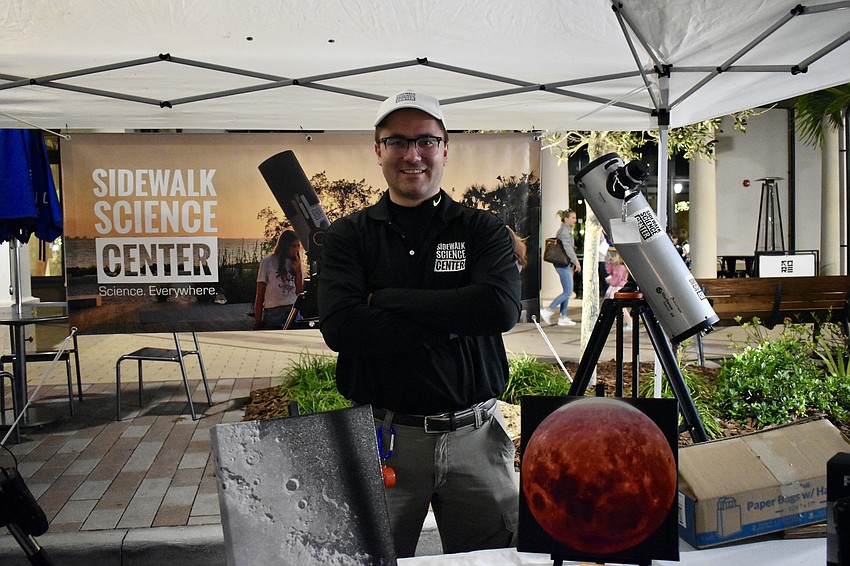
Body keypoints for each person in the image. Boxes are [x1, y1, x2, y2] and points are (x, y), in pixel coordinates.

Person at [318, 90, 522, 557]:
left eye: (426, 141)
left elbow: (498, 310)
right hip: (383, 440)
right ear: (378, 150)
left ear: (445, 149)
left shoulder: (482, 229)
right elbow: (343, 327)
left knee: (490, 559)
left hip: (477, 440)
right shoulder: (348, 236)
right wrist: (456, 317)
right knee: (373, 557)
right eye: (397, 141)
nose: (413, 155)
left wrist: (387, 300)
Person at [253, 229, 304, 329]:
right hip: (273, 310)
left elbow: (299, 292)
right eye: (293, 246)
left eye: (298, 246)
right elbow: (260, 293)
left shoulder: (296, 263)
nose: (296, 249)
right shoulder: (268, 262)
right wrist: (258, 319)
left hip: (292, 308)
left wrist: (298, 272)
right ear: (285, 246)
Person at [540, 209, 581, 326]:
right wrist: (576, 261)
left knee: (567, 291)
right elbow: (568, 248)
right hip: (563, 264)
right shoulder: (564, 231)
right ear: (566, 219)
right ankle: (548, 310)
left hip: (564, 264)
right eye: (573, 218)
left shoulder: (566, 230)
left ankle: (563, 316)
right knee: (568, 292)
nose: (575, 220)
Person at [604, 248, 633, 330]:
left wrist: (609, 280)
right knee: (615, 306)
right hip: (615, 287)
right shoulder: (616, 266)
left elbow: (616, 279)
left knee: (621, 307)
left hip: (618, 288)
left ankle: (629, 323)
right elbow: (609, 271)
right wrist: (608, 264)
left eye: (615, 256)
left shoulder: (621, 268)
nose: (613, 257)